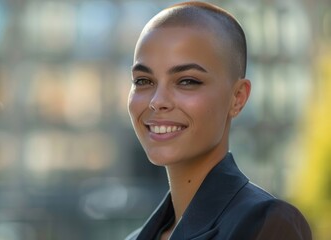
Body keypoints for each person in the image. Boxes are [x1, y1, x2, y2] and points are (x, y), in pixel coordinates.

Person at [125, 1, 312, 240]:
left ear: (237, 98)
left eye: (187, 81)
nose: (157, 100)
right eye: (143, 81)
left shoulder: (267, 224)